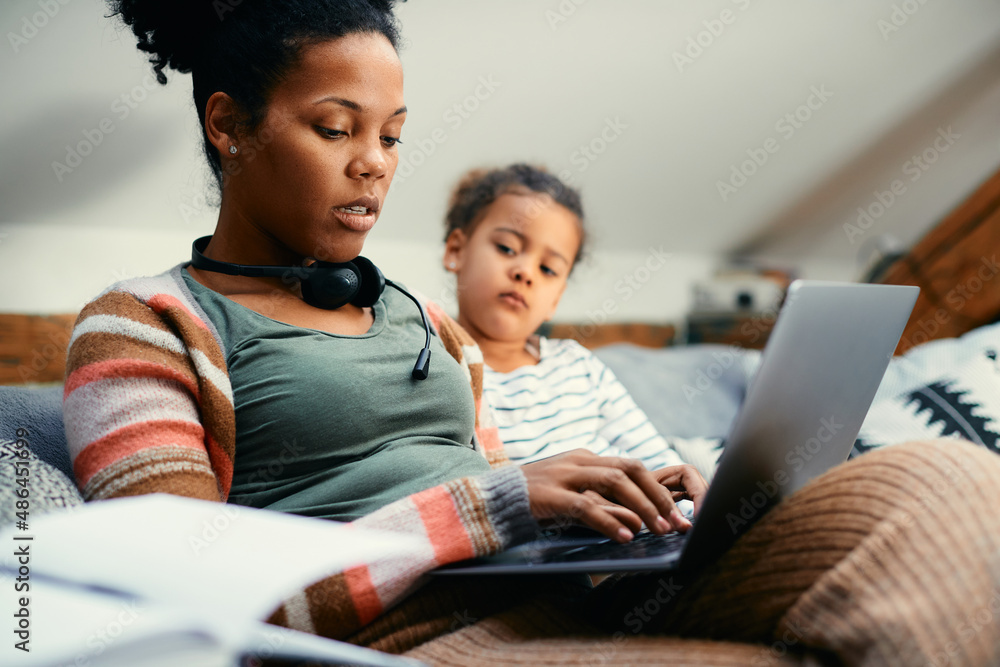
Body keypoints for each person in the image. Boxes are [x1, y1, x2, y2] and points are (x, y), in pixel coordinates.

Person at [62, 1, 1000, 664]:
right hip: (412, 635)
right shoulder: (143, 325)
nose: (372, 167)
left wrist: (632, 508)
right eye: (335, 127)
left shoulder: (420, 319)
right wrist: (498, 505)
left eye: (390, 135)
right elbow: (183, 602)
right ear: (229, 125)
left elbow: (494, 484)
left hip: (567, 594)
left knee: (947, 478)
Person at [441, 164, 721, 483]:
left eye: (547, 269)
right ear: (456, 251)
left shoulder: (580, 366)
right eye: (507, 248)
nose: (525, 272)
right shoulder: (438, 367)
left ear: (556, 299)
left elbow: (661, 466)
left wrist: (685, 506)